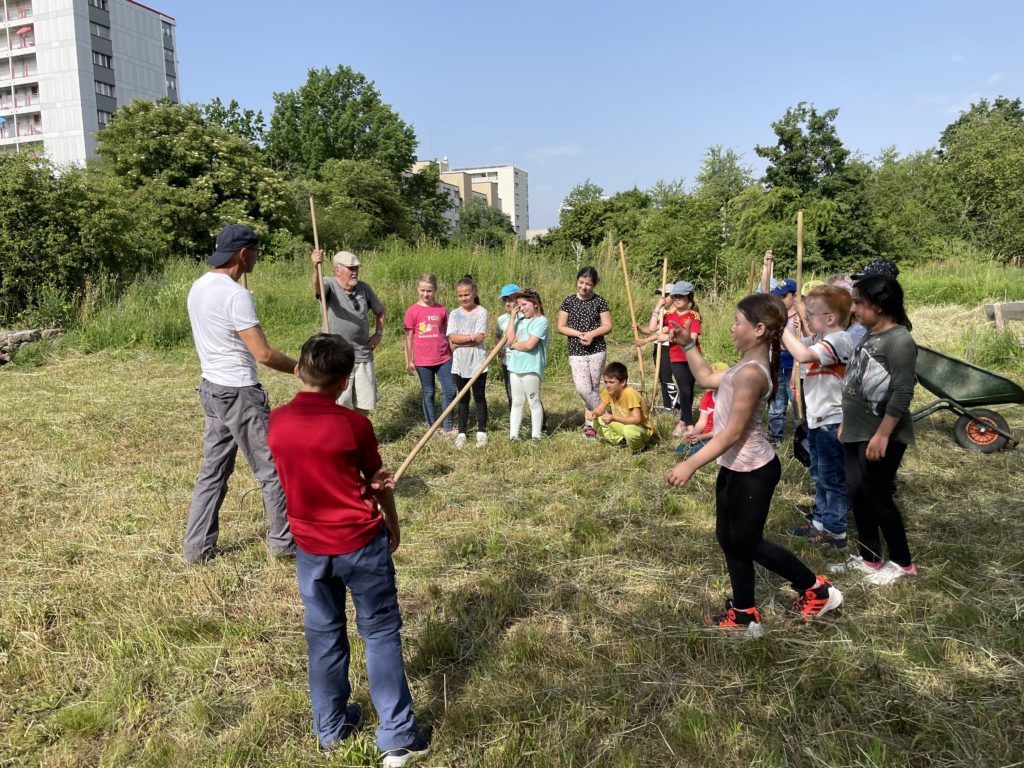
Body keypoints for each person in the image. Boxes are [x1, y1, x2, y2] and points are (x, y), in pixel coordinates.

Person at [267, 334, 429, 767]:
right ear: (345, 382)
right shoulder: (355, 425)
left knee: (323, 637)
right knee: (378, 634)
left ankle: (331, 727)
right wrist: (392, 522)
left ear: (299, 371)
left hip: (310, 548)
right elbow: (377, 481)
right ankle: (396, 737)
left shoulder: (276, 422)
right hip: (360, 542)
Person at [666, 294, 843, 635]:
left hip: (754, 472)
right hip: (735, 467)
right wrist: (689, 344)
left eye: (737, 322)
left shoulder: (752, 374)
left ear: (759, 329)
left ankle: (818, 589)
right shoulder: (743, 366)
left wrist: (691, 464)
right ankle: (745, 613)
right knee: (729, 538)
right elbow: (704, 378)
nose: (732, 328)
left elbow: (731, 433)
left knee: (747, 541)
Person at [183, 224, 297, 564]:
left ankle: (197, 548)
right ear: (243, 254)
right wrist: (298, 368)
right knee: (272, 469)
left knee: (212, 471)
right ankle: (284, 544)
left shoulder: (198, 287)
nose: (258, 258)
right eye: (256, 252)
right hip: (240, 393)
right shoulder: (235, 295)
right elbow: (262, 353)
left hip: (212, 389)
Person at [830, 274, 919, 586]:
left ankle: (902, 562)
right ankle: (869, 558)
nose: (854, 310)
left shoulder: (900, 340)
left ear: (880, 305)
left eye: (859, 303)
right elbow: (855, 385)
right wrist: (845, 421)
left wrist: (883, 433)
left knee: (878, 496)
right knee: (857, 493)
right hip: (856, 430)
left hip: (881, 433)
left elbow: (903, 391)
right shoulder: (869, 336)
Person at [781, 286, 856, 550]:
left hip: (832, 421)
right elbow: (790, 346)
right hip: (817, 419)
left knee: (832, 479)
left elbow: (800, 355)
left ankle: (836, 534)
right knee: (819, 475)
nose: (806, 318)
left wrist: (783, 328)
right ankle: (820, 523)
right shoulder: (821, 339)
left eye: (811, 314)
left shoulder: (840, 341)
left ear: (830, 318)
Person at [310, 249, 386, 413]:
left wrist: (378, 334)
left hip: (363, 354)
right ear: (337, 270)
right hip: (337, 357)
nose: (355, 272)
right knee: (340, 404)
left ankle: (359, 434)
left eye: (356, 268)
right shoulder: (329, 284)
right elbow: (318, 288)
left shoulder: (364, 288)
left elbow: (381, 311)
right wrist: (316, 267)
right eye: (351, 268)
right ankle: (342, 436)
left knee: (364, 403)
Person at [557, 266, 613, 438]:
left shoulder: (600, 301)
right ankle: (606, 414)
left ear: (594, 284)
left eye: (588, 284)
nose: (584, 287)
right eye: (581, 282)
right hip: (576, 350)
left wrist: (591, 334)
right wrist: (578, 334)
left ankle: (590, 425)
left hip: (597, 349)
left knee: (594, 388)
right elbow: (560, 326)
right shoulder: (568, 301)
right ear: (576, 281)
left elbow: (607, 326)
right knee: (583, 388)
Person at [404, 273, 457, 435]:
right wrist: (409, 361)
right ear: (417, 289)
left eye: (429, 291)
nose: (426, 294)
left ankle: (447, 426)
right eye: (422, 290)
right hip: (422, 360)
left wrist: (454, 354)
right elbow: (408, 338)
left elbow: (449, 334)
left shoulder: (441, 309)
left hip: (443, 358)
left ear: (435, 290)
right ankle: (432, 428)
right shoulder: (412, 311)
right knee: (429, 392)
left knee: (450, 391)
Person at [447, 275, 489, 448]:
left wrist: (459, 341)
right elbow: (451, 337)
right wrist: (470, 338)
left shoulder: (482, 312)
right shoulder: (454, 314)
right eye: (460, 295)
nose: (464, 298)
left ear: (474, 293)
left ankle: (481, 431)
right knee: (462, 397)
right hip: (459, 362)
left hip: (478, 361)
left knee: (479, 396)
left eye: (467, 294)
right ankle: (462, 432)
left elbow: (479, 338)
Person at [504, 288, 550, 441]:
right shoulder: (520, 320)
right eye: (519, 305)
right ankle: (513, 435)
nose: (521, 308)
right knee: (517, 401)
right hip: (515, 366)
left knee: (533, 401)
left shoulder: (541, 321)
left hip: (531, 367)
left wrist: (514, 345)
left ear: (535, 304)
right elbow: (509, 339)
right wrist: (512, 318)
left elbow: (530, 345)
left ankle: (536, 435)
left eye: (524, 305)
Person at [663, 281, 703, 437]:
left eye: (682, 296)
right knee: (684, 389)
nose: (678, 298)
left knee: (689, 391)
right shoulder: (668, 315)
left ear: (689, 298)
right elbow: (654, 327)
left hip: (693, 357)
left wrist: (668, 337)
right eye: (675, 296)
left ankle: (682, 421)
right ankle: (690, 425)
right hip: (676, 357)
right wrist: (657, 308)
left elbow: (692, 339)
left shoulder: (694, 316)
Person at [586, 361, 653, 453]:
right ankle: (621, 442)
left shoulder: (629, 393)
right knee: (598, 421)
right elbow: (601, 409)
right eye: (605, 382)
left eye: (611, 382)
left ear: (622, 382)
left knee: (629, 431)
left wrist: (614, 418)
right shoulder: (609, 391)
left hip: (639, 428)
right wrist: (594, 413)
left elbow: (636, 419)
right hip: (622, 424)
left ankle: (639, 449)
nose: (607, 385)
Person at [675, 362, 729, 456]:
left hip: (719, 435)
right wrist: (693, 434)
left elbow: (725, 428)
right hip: (706, 434)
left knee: (694, 452)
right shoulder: (707, 397)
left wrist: (702, 437)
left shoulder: (730, 399)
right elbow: (702, 422)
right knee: (680, 450)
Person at [495, 283, 520, 409]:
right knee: (511, 393)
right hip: (507, 361)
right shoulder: (501, 319)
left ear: (518, 299)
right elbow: (498, 335)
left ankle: (541, 424)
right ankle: (514, 421)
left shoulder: (525, 317)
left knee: (529, 393)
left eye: (510, 300)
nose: (507, 304)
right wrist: (498, 348)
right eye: (505, 300)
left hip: (522, 361)